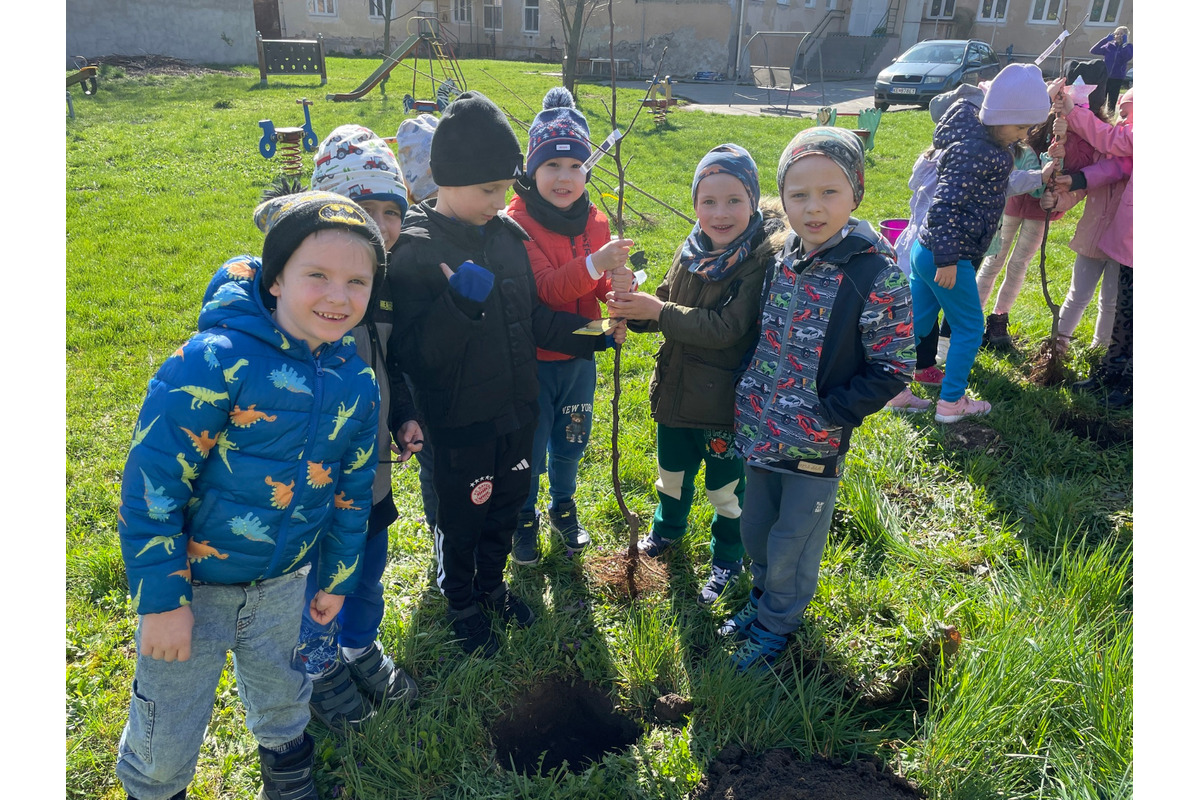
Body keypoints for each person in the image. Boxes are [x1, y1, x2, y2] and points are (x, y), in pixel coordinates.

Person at [114, 191, 387, 800]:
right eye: (317, 276)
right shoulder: (212, 361)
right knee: (167, 728)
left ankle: (289, 782)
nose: (339, 296)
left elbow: (352, 490)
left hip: (286, 585)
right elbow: (152, 485)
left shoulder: (357, 382)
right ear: (275, 279)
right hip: (195, 589)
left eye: (357, 281)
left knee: (285, 699)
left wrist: (337, 578)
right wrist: (162, 601)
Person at [385, 91, 625, 659]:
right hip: (460, 422)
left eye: (504, 189)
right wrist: (459, 305)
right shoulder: (416, 252)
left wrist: (593, 334)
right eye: (488, 190)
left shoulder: (505, 236)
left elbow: (533, 318)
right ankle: (460, 603)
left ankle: (491, 587)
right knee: (462, 516)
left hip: (517, 410)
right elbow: (415, 356)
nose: (500, 202)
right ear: (448, 179)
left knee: (506, 505)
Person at [721, 126, 914, 671]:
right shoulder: (783, 258)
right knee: (756, 528)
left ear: (856, 193)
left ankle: (777, 625)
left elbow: (894, 366)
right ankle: (763, 600)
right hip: (761, 428)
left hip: (813, 442)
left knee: (794, 540)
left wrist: (830, 412)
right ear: (783, 199)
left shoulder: (874, 275)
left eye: (830, 192)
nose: (813, 207)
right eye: (799, 194)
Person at [608, 143, 787, 606]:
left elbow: (727, 329)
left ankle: (728, 556)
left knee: (725, 489)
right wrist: (635, 311)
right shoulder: (690, 249)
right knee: (670, 474)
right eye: (708, 201)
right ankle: (666, 530)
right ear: (695, 205)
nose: (720, 213)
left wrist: (658, 310)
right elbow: (666, 298)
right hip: (675, 393)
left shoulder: (757, 261)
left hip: (722, 405)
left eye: (733, 200)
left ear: (753, 201)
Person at [292, 125, 422, 730]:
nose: (380, 224)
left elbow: (392, 366)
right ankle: (316, 667)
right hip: (312, 482)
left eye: (391, 211)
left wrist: (404, 417)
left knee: (369, 567)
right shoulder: (306, 296)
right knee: (318, 581)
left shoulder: (384, 289)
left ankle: (357, 645)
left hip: (371, 476)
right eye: (363, 209)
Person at [505, 87, 634, 564]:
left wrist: (617, 292)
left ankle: (563, 505)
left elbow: (596, 288)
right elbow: (546, 290)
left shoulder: (594, 222)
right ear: (531, 170)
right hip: (536, 361)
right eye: (552, 165)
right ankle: (523, 515)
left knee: (573, 437)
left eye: (576, 165)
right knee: (531, 443)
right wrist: (598, 263)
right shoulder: (517, 223)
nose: (564, 177)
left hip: (581, 354)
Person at [907, 63, 1050, 423]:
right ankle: (951, 403)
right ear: (999, 116)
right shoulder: (977, 150)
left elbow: (998, 184)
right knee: (970, 328)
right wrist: (948, 259)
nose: (1022, 136)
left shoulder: (977, 141)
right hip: (947, 255)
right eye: (1020, 127)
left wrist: (1040, 176)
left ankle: (894, 388)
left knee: (918, 321)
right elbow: (945, 204)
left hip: (925, 250)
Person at [1050, 81, 1133, 407]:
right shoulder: (1115, 149)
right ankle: (1061, 348)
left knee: (1113, 303)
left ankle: (1104, 355)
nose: (1125, 121)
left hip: (1122, 245)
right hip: (1099, 240)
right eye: (1122, 114)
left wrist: (1074, 113)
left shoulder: (1127, 151)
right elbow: (1094, 177)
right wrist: (1063, 193)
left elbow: (1113, 164)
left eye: (1131, 114)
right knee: (1082, 295)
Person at [395, 113, 442, 530]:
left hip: (438, 374)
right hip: (421, 375)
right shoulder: (407, 243)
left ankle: (441, 524)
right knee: (431, 456)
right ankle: (438, 525)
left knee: (434, 455)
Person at [1090, 26, 1132, 113]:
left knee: (1112, 101)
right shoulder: (1109, 46)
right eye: (1117, 34)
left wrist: (1124, 44)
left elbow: (1127, 57)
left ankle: (1110, 117)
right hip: (1105, 77)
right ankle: (1099, 116)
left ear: (1125, 36)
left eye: (1121, 34)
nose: (1118, 36)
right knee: (1101, 99)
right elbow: (1093, 50)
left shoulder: (1128, 47)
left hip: (1117, 78)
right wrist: (1105, 40)